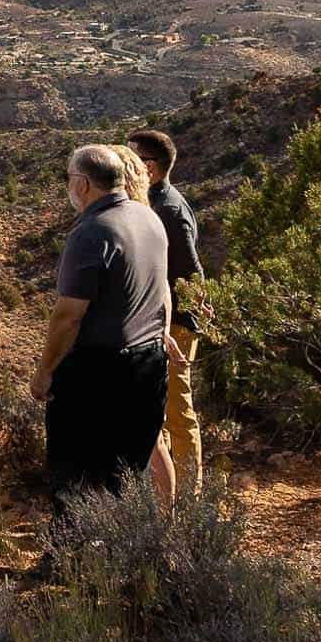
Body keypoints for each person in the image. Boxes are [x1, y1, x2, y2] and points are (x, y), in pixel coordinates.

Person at [33, 144, 174, 508]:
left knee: (76, 472)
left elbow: (69, 315)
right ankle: (124, 552)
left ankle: (74, 555)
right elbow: (162, 293)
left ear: (82, 184)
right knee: (128, 472)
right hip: (149, 366)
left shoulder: (92, 232)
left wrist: (45, 371)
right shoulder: (148, 219)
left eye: (69, 179)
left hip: (99, 373)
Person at [129, 128, 205, 490]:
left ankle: (189, 496)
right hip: (160, 323)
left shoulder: (169, 210)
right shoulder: (154, 203)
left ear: (150, 167)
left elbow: (191, 273)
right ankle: (162, 491)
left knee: (177, 411)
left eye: (131, 158)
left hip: (175, 325)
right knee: (157, 412)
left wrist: (183, 326)